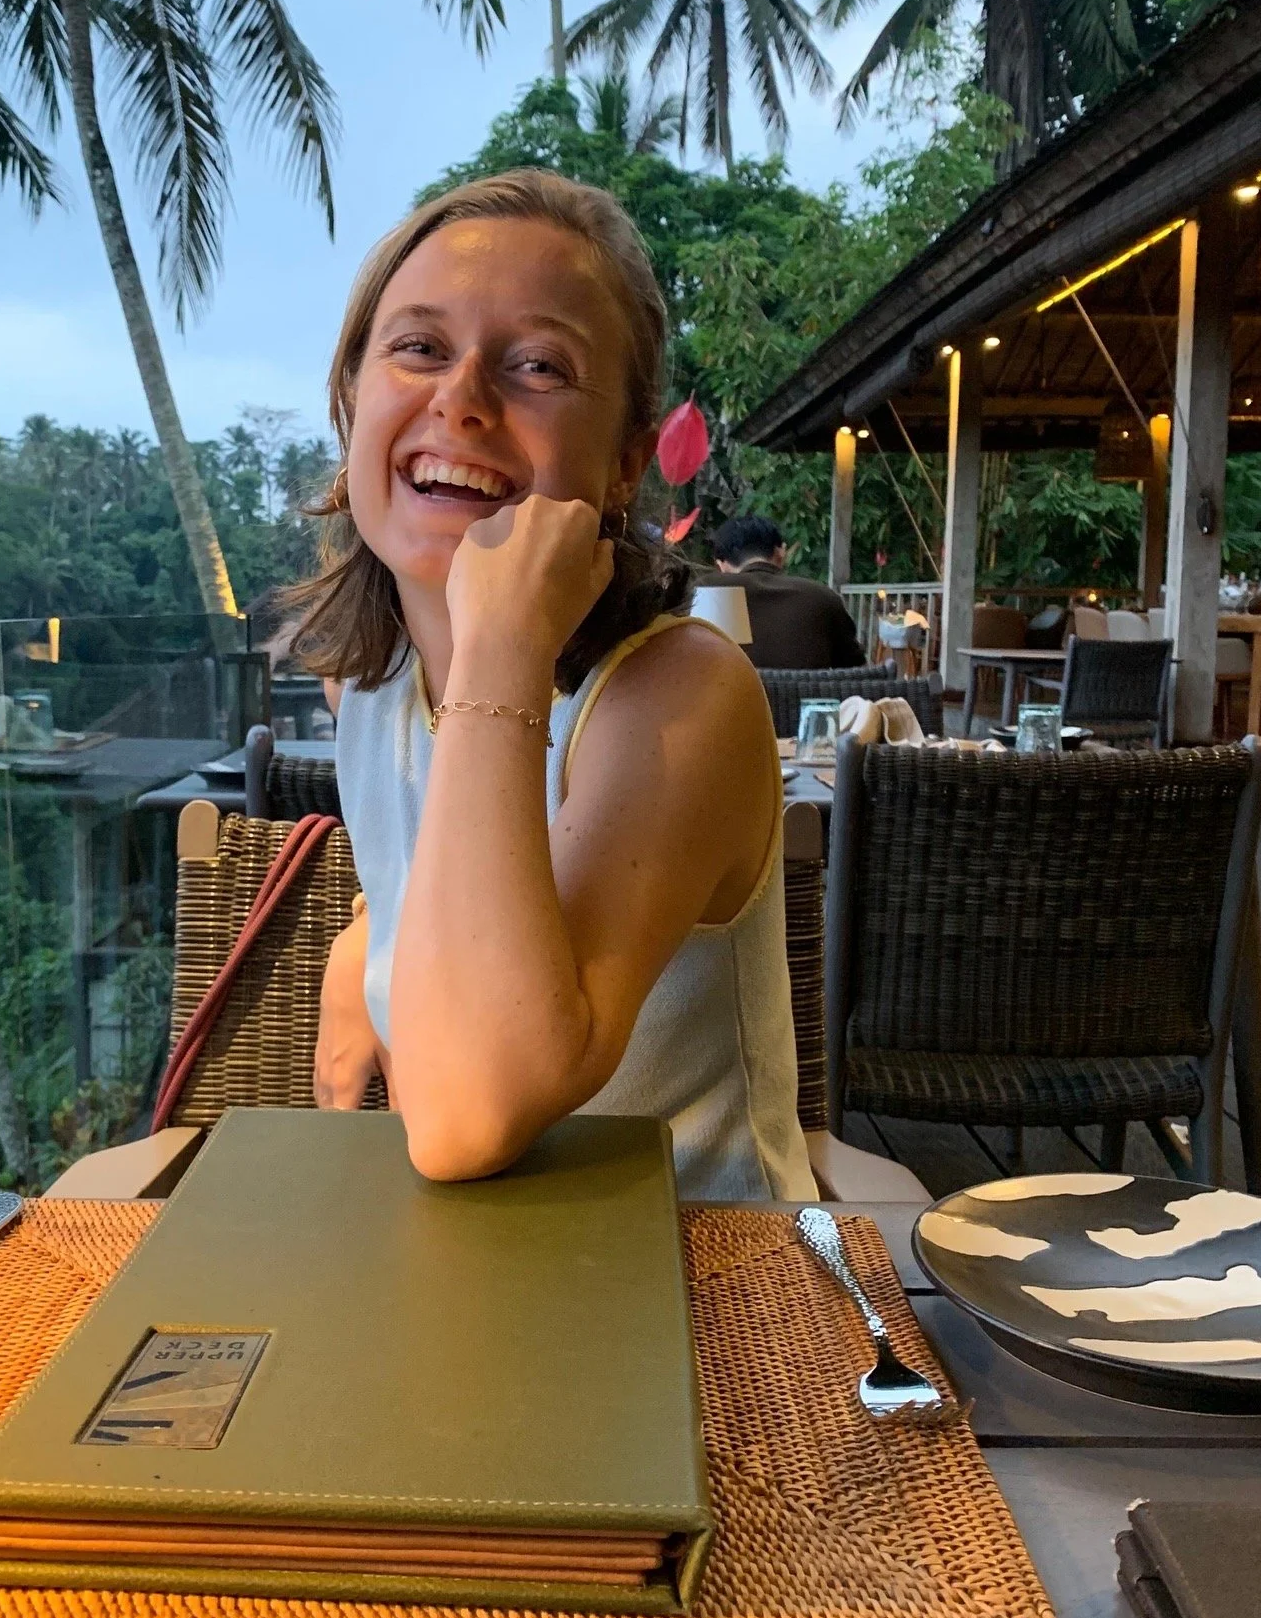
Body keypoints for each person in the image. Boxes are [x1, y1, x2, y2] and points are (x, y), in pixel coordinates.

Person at [282, 171, 814, 1203]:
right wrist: (364, 939)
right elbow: (437, 874)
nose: (462, 400)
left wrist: (501, 644)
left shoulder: (679, 700)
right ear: (354, 406)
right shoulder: (374, 683)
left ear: (622, 468)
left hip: (703, 1296)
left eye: (536, 367)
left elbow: (467, 1114)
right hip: (470, 1274)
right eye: (420, 347)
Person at [711, 516, 865, 669]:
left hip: (729, 692)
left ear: (721, 565)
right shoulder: (822, 596)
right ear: (781, 552)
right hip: (808, 693)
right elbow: (854, 669)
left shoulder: (705, 593)